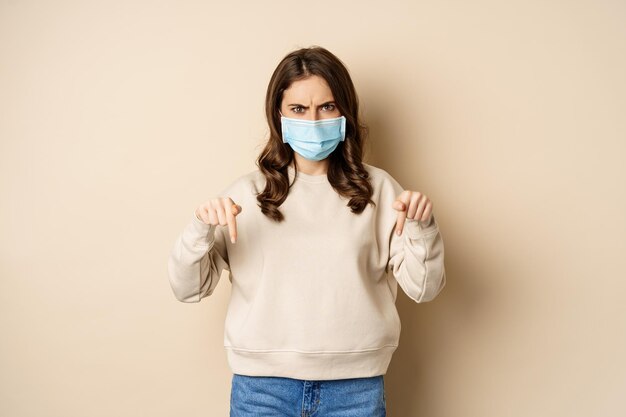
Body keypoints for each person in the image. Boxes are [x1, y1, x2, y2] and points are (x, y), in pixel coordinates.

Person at [167, 45, 446, 417]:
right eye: (299, 109)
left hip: (355, 391)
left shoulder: (380, 191)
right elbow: (187, 289)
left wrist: (422, 227)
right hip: (261, 390)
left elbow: (424, 288)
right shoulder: (245, 196)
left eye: (326, 107)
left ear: (344, 111)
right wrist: (199, 229)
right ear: (279, 115)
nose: (313, 121)